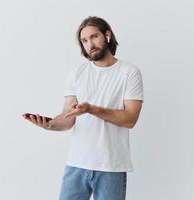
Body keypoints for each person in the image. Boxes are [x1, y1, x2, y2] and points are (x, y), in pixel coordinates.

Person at [23, 16, 143, 200]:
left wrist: (91, 109)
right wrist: (50, 125)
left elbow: (130, 119)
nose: (90, 44)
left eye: (94, 37)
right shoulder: (77, 73)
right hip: (77, 164)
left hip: (111, 166)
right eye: (84, 40)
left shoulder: (129, 72)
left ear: (107, 35)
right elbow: (67, 118)